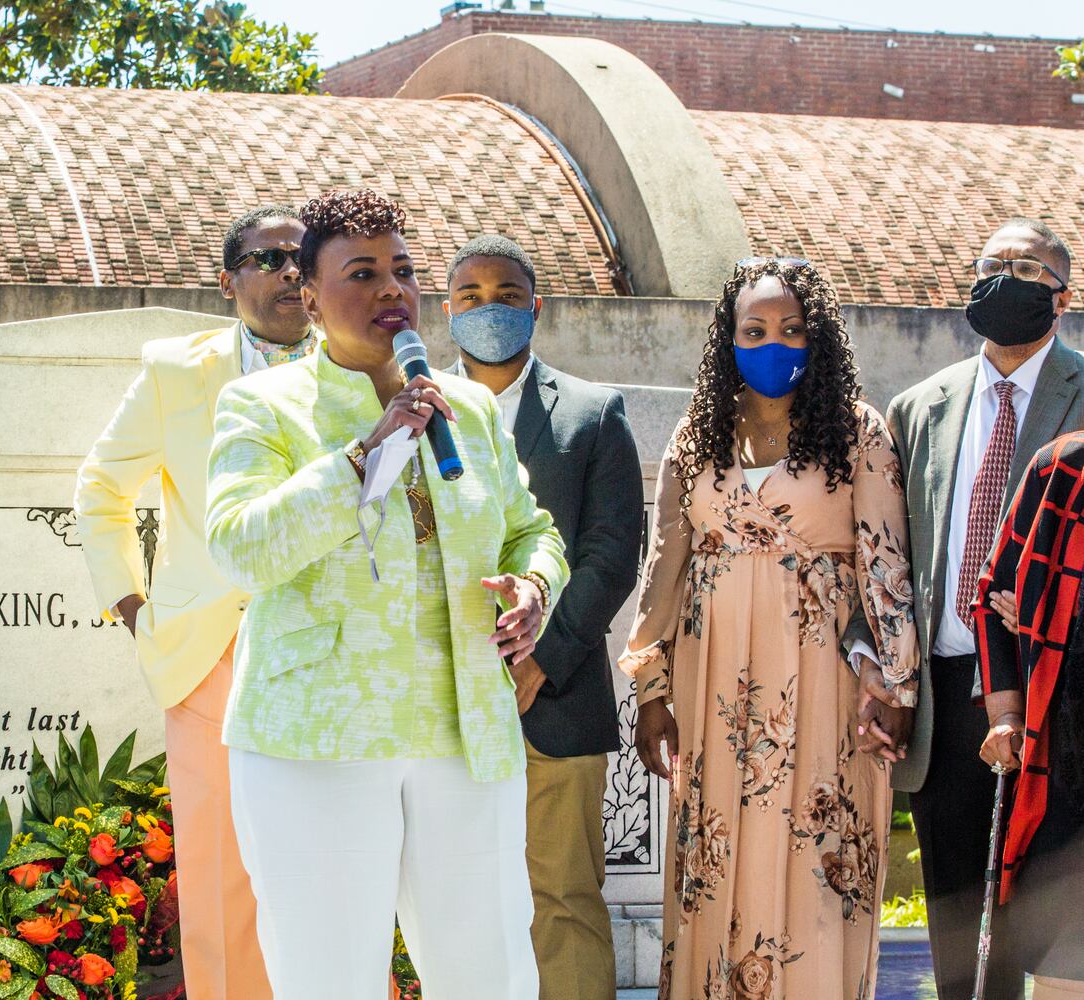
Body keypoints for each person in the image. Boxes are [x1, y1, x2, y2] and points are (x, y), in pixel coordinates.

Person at [205, 190, 566, 999]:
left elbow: (529, 527)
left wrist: (534, 583)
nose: (390, 290)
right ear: (307, 297)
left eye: (401, 271)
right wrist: (359, 459)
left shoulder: (466, 408)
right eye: (361, 273)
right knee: (328, 980)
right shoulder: (263, 405)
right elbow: (240, 547)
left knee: (492, 976)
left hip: (465, 729)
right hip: (317, 738)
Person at [622, 258, 919, 999]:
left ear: (818, 340)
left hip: (823, 684)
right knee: (717, 859)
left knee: (816, 858)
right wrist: (651, 689)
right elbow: (665, 570)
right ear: (727, 339)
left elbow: (885, 565)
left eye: (791, 329)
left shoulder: (857, 432)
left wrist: (897, 687)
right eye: (753, 330)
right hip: (711, 680)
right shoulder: (696, 437)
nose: (773, 343)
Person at [73, 204, 314, 1000]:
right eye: (265, 257)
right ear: (226, 281)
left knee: (330, 867)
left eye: (299, 256)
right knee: (217, 873)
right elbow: (103, 487)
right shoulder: (178, 373)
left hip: (330, 652)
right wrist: (133, 608)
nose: (286, 270)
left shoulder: (359, 368)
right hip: (209, 652)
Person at [849, 218, 1081, 1000]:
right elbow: (882, 551)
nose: (1004, 278)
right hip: (948, 691)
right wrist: (878, 669)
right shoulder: (919, 406)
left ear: (1062, 296)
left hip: (1055, 692)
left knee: (1050, 901)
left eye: (1026, 267)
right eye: (991, 265)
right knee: (953, 903)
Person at [444, 234, 643, 1000]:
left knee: (562, 900)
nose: (487, 308)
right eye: (468, 296)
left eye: (504, 294)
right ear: (446, 309)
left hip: (554, 703)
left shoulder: (592, 415)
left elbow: (610, 553)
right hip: (441, 702)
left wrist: (540, 661)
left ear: (537, 307)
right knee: (454, 906)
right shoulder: (411, 409)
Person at [975, 432, 1084, 1000]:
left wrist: (1044, 613)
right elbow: (993, 596)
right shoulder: (1061, 469)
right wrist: (1007, 714)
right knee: (1063, 972)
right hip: (1066, 774)